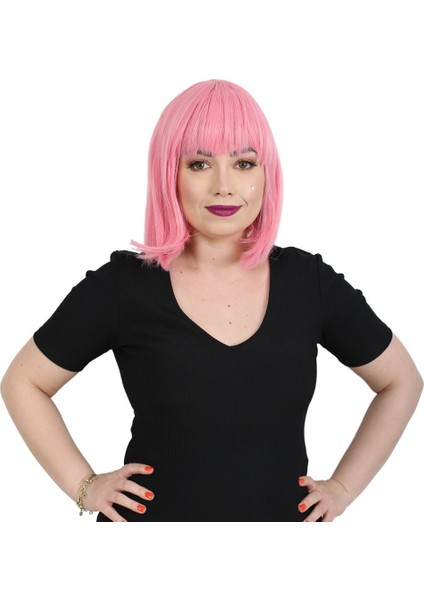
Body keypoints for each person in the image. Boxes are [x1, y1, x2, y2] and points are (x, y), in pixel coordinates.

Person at [1, 80, 422, 522]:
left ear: (266, 175)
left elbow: (401, 382)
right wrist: (85, 486)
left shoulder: (308, 282)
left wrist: (343, 488)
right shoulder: (123, 285)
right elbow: (24, 383)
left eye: (244, 163)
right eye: (200, 164)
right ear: (169, 173)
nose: (224, 186)